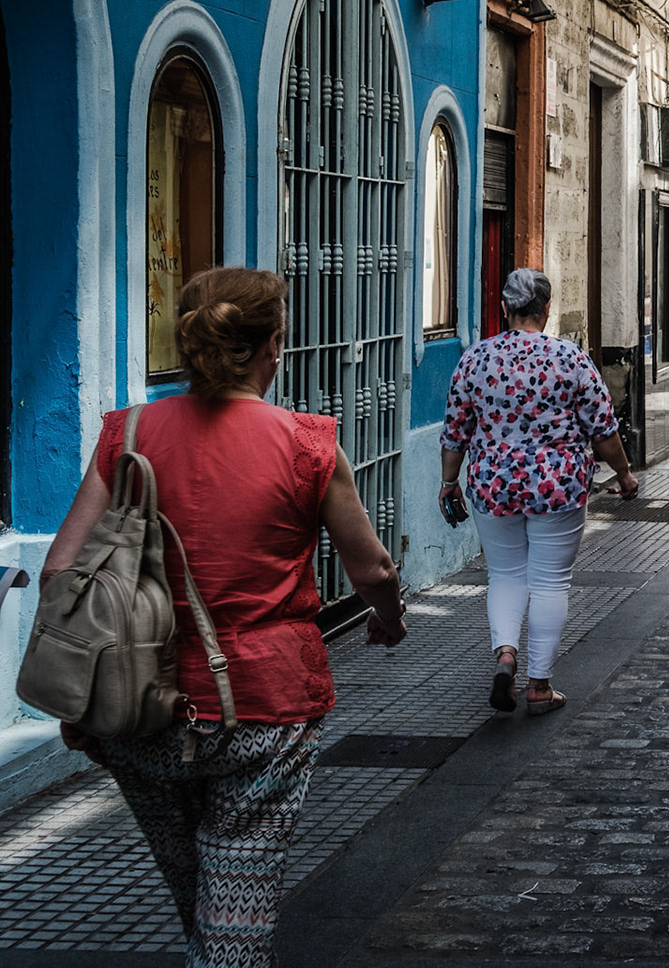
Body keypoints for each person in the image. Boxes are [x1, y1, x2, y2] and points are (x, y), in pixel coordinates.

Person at [44, 266, 409, 968]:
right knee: (234, 911)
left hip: (137, 708)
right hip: (262, 713)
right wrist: (388, 619)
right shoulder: (308, 444)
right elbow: (372, 571)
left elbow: (62, 569)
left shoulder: (128, 434)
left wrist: (78, 692)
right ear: (273, 345)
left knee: (198, 901)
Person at [441, 268, 639, 717]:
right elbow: (603, 430)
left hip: (493, 484)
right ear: (546, 309)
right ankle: (539, 686)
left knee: (506, 576)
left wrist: (448, 481)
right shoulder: (570, 359)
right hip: (557, 486)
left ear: (505, 308)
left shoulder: (476, 359)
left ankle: (506, 654)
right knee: (550, 582)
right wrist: (624, 475)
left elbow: (456, 431)